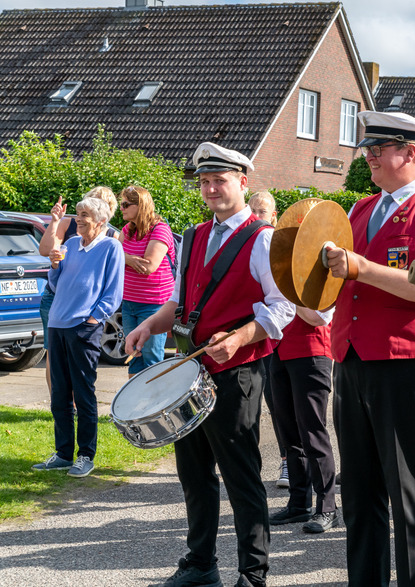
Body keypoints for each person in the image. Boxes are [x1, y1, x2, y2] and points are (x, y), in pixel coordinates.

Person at [125, 143, 294, 587]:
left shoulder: (264, 238)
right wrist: (149, 327)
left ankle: (253, 574)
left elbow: (281, 309)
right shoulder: (195, 235)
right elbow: (180, 302)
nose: (211, 188)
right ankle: (201, 564)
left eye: (220, 180)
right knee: (194, 474)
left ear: (243, 182)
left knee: (241, 476)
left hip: (237, 374)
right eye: (204, 181)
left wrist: (238, 337)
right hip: (190, 371)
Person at [324, 111, 415, 587]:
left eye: (379, 148)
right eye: (368, 148)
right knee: (360, 494)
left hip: (407, 362)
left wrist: (360, 268)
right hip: (351, 359)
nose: (368, 156)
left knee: (408, 493)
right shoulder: (360, 208)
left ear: (410, 153)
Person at [33, 196, 124, 478]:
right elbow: (55, 283)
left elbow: (113, 291)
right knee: (60, 393)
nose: (79, 219)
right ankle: (62, 454)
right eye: (78, 214)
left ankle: (86, 455)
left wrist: (94, 318)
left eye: (84, 215)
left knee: (83, 393)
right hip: (57, 324)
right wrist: (55, 265)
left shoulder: (111, 247)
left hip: (84, 327)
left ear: (100, 220)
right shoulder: (70, 244)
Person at [38, 188, 123, 395]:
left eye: (95, 205)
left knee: (80, 366)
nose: (82, 214)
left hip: (85, 313)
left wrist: (94, 319)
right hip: (56, 300)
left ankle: (75, 403)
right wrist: (55, 221)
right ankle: (58, 401)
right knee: (54, 356)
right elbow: (46, 251)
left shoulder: (112, 239)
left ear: (105, 213)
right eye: (86, 204)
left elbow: (113, 282)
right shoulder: (71, 229)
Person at [267, 305, 338, 534]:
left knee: (313, 434)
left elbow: (319, 317)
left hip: (311, 350)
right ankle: (298, 503)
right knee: (289, 434)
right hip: (279, 350)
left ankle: (327, 508)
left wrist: (285, 297)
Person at [247, 191, 289, 490]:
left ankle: (290, 462)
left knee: (286, 407)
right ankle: (266, 462)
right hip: (254, 338)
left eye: (263, 211)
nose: (257, 215)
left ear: (274, 217)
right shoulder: (245, 242)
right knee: (261, 406)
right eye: (253, 210)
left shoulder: (277, 242)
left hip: (283, 338)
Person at [118, 185, 175, 377]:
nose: (121, 208)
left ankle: (156, 405)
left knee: (151, 358)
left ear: (140, 205)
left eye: (126, 204)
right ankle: (135, 405)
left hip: (153, 305)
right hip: (129, 303)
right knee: (134, 355)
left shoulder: (160, 229)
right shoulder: (128, 229)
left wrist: (124, 257)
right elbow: (112, 257)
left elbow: (148, 266)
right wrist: (129, 259)